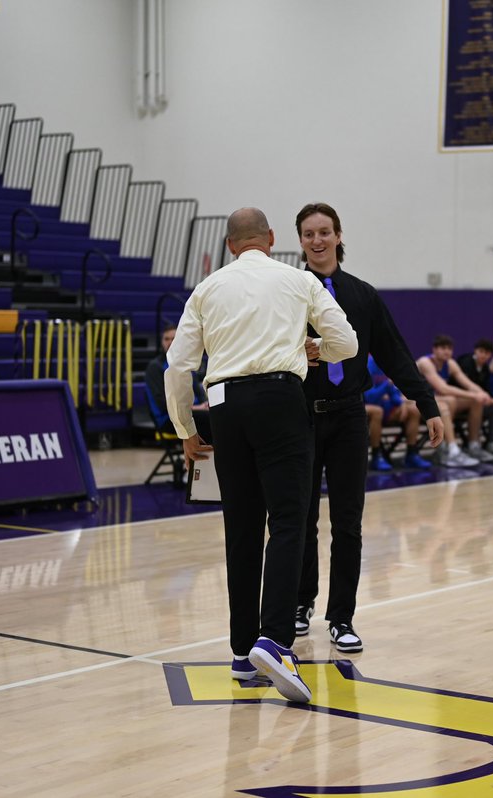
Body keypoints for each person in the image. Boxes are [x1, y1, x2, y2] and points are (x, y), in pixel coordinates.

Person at [164, 207, 357, 704]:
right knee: (290, 522)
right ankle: (274, 640)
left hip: (225, 407)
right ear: (271, 239)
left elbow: (177, 367)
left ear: (231, 246)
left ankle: (240, 650)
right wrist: (316, 350)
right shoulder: (297, 280)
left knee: (242, 529)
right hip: (280, 401)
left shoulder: (207, 289)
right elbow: (348, 343)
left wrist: (186, 428)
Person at [295, 202, 442, 655]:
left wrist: (427, 403)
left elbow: (395, 353)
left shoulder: (363, 295)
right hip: (299, 416)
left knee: (348, 522)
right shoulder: (288, 293)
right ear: (299, 241)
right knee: (299, 521)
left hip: (348, 417)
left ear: (339, 236)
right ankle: (300, 605)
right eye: (308, 234)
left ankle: (342, 617)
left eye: (325, 231)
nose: (317, 240)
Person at [417, 334, 493, 462]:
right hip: (412, 401)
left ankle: (473, 445)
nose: (447, 351)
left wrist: (482, 394)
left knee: (475, 402)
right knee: (447, 402)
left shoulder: (450, 363)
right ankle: (452, 450)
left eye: (449, 348)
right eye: (443, 348)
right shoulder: (425, 362)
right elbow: (443, 388)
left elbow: (468, 383)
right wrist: (474, 394)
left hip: (434, 401)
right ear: (434, 349)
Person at [144, 324, 209, 440]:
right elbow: (162, 403)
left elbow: (199, 392)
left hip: (192, 413)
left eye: (173, 338)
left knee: (219, 413)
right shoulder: (155, 367)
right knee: (212, 419)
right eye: (166, 339)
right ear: (162, 342)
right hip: (169, 418)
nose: (170, 342)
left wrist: (205, 404)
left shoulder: (185, 363)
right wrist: (196, 408)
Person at [363, 356, 428, 471]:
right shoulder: (367, 365)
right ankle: (376, 457)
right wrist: (386, 385)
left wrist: (401, 404)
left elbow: (393, 393)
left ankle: (411, 454)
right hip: (367, 406)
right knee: (378, 411)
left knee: (413, 410)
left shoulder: (388, 363)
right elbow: (369, 397)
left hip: (384, 405)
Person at [456, 338, 493, 460]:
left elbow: (487, 391)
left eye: (487, 353)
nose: (483, 355)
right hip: (459, 400)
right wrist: (490, 399)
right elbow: (465, 387)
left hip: (477, 400)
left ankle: (492, 443)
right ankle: (473, 445)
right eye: (481, 351)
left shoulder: (485, 369)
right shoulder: (465, 363)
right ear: (475, 351)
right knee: (479, 402)